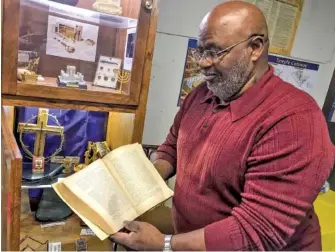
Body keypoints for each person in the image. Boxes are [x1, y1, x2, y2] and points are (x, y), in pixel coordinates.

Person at [111, 1, 335, 250]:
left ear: (255, 48)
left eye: (215, 52)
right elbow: (173, 145)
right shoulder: (201, 94)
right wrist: (147, 177)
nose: (203, 63)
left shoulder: (294, 120)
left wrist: (163, 244)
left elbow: (257, 233)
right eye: (201, 51)